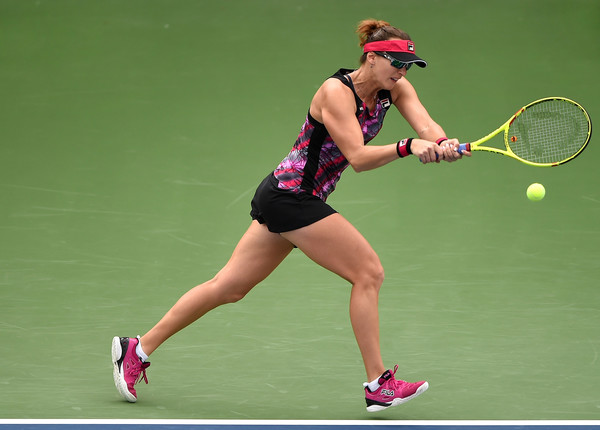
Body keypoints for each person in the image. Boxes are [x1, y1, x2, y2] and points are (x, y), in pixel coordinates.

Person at [111, 18, 470, 413]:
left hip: (287, 197)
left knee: (228, 287)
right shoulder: (336, 92)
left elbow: (425, 122)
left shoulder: (394, 89)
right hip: (291, 195)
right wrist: (406, 147)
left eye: (407, 65)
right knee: (368, 272)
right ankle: (378, 385)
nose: (401, 72)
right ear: (371, 58)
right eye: (395, 63)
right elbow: (359, 158)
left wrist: (440, 141)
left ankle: (137, 348)